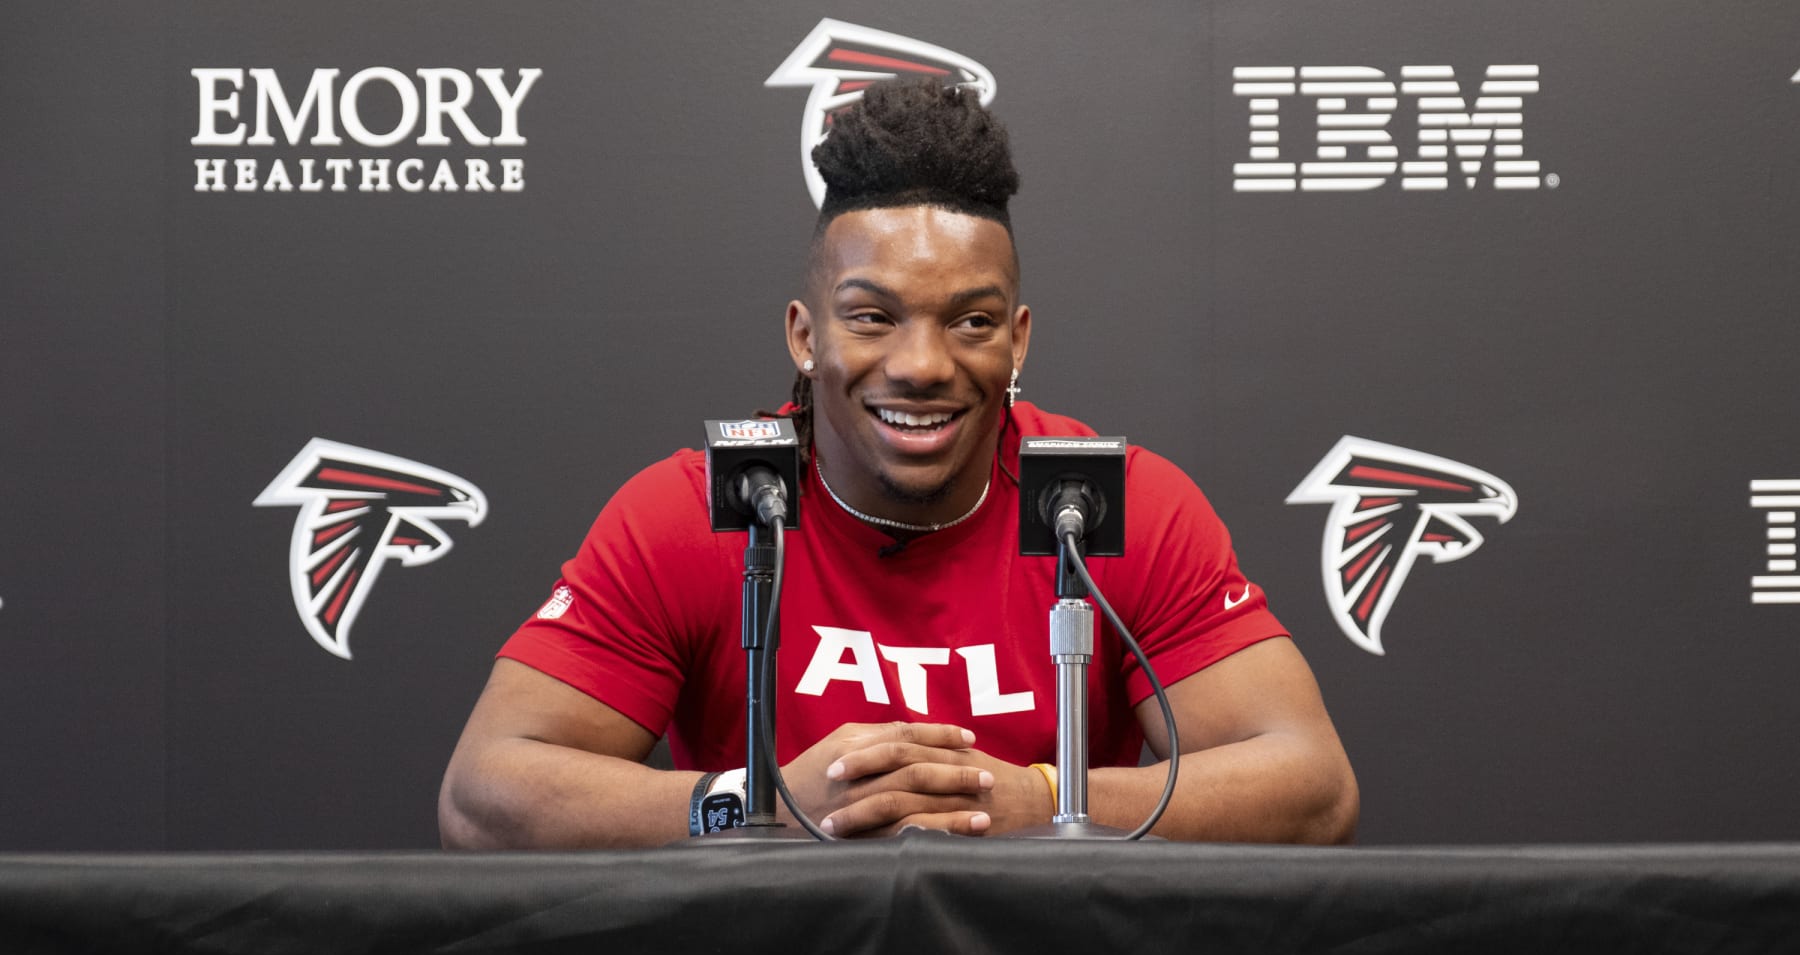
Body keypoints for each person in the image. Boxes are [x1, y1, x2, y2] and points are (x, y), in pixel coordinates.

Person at [439, 78, 1356, 847]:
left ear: (1017, 340)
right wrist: (763, 804)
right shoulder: (701, 510)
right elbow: (484, 796)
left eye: (971, 321)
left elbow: (1313, 787)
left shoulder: (1109, 502)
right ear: (806, 335)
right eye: (873, 316)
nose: (922, 366)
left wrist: (1044, 801)